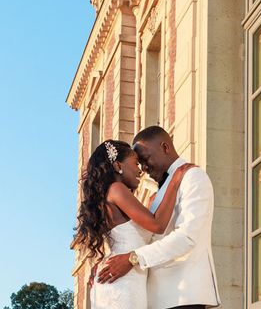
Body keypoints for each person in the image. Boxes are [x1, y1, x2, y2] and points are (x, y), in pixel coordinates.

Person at [99, 126, 221, 309]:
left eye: (146, 159)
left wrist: (133, 258)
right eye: (139, 163)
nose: (144, 168)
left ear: (165, 147)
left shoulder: (192, 176)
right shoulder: (158, 191)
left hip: (184, 295)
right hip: (156, 298)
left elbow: (188, 236)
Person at [73, 139, 194, 309]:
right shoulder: (116, 189)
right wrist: (174, 182)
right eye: (136, 163)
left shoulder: (110, 194)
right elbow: (158, 224)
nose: (140, 170)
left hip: (124, 279)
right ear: (117, 166)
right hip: (122, 282)